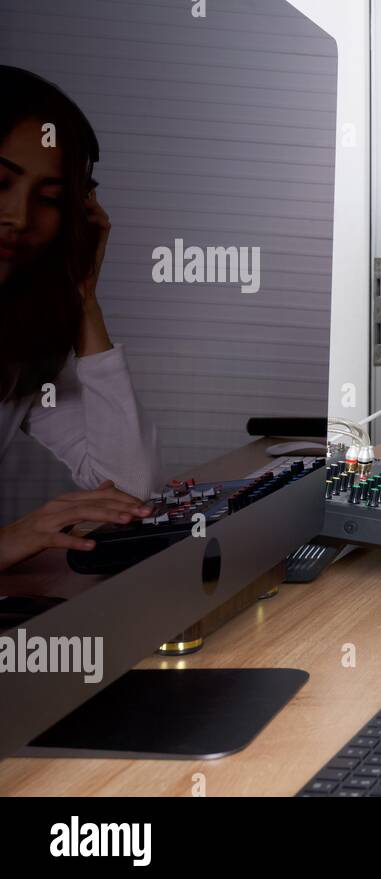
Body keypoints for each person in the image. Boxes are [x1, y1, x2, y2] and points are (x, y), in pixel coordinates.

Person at [0, 66, 162, 573]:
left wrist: (84, 299)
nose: (19, 217)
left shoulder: (19, 350)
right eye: (0, 183)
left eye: (49, 200)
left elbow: (128, 489)